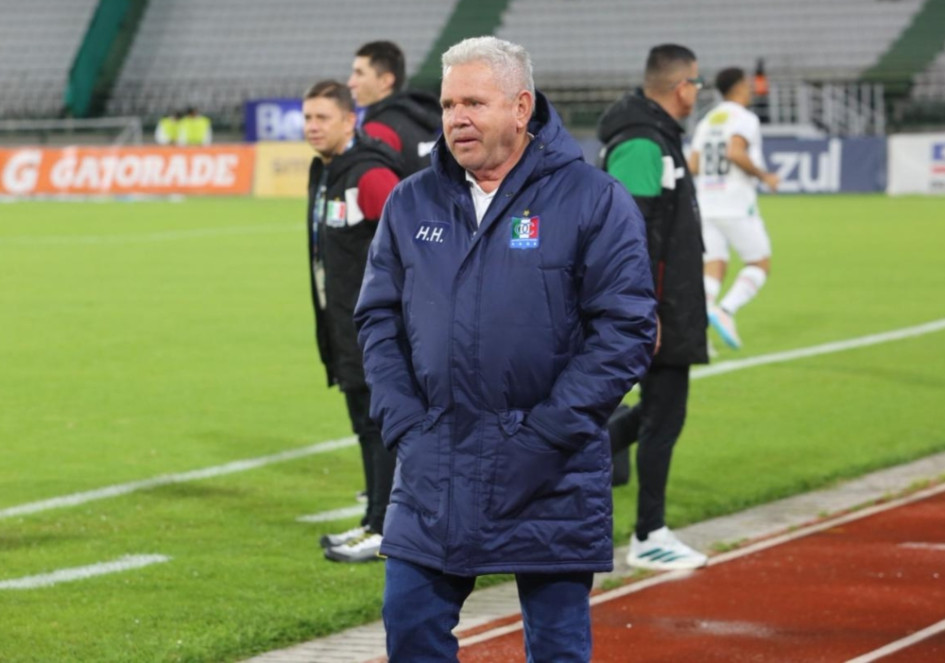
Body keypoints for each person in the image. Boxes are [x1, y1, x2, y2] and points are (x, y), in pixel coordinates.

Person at [355, 36, 657, 662]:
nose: (456, 119)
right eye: (447, 105)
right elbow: (377, 320)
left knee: (556, 648)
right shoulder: (411, 202)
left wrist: (545, 436)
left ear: (521, 108)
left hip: (548, 468)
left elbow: (625, 331)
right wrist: (405, 423)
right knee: (410, 631)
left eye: (474, 102)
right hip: (433, 460)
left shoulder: (593, 201)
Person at [597, 44, 710, 571]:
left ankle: (566, 463)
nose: (696, 93)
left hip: (667, 304)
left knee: (659, 412)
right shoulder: (643, 143)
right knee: (665, 415)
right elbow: (628, 235)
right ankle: (649, 534)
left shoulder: (657, 138)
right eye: (695, 84)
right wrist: (645, 310)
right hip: (654, 309)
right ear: (679, 85)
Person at [302, 80, 403, 563]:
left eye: (322, 118)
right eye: (307, 118)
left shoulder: (369, 175)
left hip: (375, 326)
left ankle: (386, 527)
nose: (312, 127)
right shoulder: (323, 171)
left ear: (349, 120)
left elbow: (411, 243)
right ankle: (372, 521)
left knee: (381, 425)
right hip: (340, 320)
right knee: (364, 424)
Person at [688, 67, 780, 350]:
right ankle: (725, 311)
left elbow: (693, 164)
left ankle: (697, 335)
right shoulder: (744, 118)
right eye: (748, 85)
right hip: (736, 203)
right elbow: (735, 151)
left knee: (713, 266)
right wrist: (764, 176)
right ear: (739, 86)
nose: (751, 89)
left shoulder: (708, 119)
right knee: (759, 263)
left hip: (706, 203)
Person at [347, 40, 441, 175]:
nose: (351, 83)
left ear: (385, 81)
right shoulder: (422, 118)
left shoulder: (378, 131)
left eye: (359, 73)